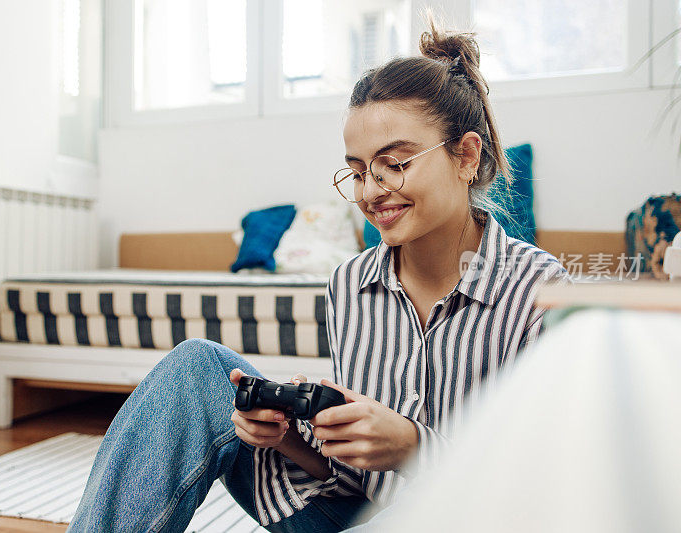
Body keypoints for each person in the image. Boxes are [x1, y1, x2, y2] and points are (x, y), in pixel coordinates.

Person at [68, 15, 569, 533]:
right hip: (340, 511)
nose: (370, 192)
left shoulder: (539, 293)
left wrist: (415, 448)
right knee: (198, 368)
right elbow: (345, 473)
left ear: (466, 155)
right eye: (357, 171)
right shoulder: (349, 284)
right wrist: (284, 435)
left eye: (394, 164)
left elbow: (552, 485)